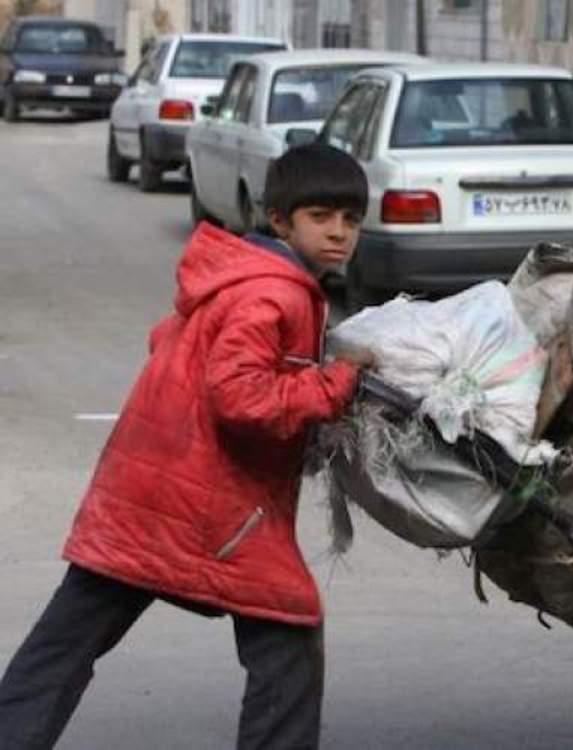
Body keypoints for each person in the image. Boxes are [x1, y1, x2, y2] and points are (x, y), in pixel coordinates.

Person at [0, 143, 372, 750]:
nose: (339, 233)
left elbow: (173, 349)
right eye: (321, 217)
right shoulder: (272, 293)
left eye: (351, 220)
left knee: (62, 649)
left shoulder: (246, 277)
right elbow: (244, 399)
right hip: (204, 505)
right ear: (280, 220)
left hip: (148, 489)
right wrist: (336, 382)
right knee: (288, 631)